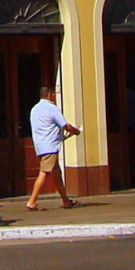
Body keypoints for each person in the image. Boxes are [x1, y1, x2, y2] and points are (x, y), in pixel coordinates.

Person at [25, 83, 81, 211]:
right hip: (50, 146)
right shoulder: (52, 109)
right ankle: (32, 201)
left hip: (40, 145)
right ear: (49, 95)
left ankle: (66, 201)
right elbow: (64, 125)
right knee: (44, 173)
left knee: (56, 174)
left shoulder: (34, 109)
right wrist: (75, 131)